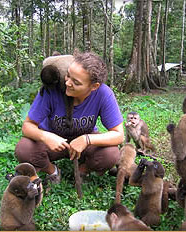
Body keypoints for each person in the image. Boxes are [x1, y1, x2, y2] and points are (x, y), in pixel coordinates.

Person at [15, 52, 124, 185]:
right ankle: (52, 171)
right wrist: (46, 137)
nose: (67, 83)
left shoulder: (103, 94)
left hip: (83, 143)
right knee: (24, 148)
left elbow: (119, 135)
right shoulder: (52, 90)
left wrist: (87, 139)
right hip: (54, 143)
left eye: (76, 82)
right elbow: (27, 126)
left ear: (94, 86)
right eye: (68, 75)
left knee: (111, 154)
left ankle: (82, 170)